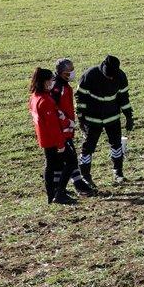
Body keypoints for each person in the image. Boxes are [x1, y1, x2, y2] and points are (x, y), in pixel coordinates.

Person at [76, 55, 133, 187]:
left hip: (112, 117)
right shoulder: (90, 75)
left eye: (113, 76)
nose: (111, 78)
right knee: (88, 148)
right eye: (108, 76)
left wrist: (128, 116)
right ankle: (85, 176)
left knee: (116, 144)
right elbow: (80, 97)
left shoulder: (120, 76)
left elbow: (124, 97)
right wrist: (81, 118)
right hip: (92, 118)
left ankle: (118, 172)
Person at [30, 67, 75, 205]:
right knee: (71, 161)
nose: (52, 83)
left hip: (43, 138)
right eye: (50, 80)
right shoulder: (46, 101)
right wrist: (61, 144)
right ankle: (60, 192)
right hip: (53, 140)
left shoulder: (33, 97)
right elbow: (53, 126)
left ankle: (51, 195)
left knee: (50, 166)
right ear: (44, 82)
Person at [52, 58, 92, 196]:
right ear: (63, 72)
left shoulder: (64, 85)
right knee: (70, 159)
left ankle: (59, 185)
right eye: (70, 70)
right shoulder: (57, 87)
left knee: (62, 160)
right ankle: (76, 184)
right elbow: (54, 108)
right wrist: (66, 122)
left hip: (66, 129)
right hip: (61, 131)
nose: (73, 73)